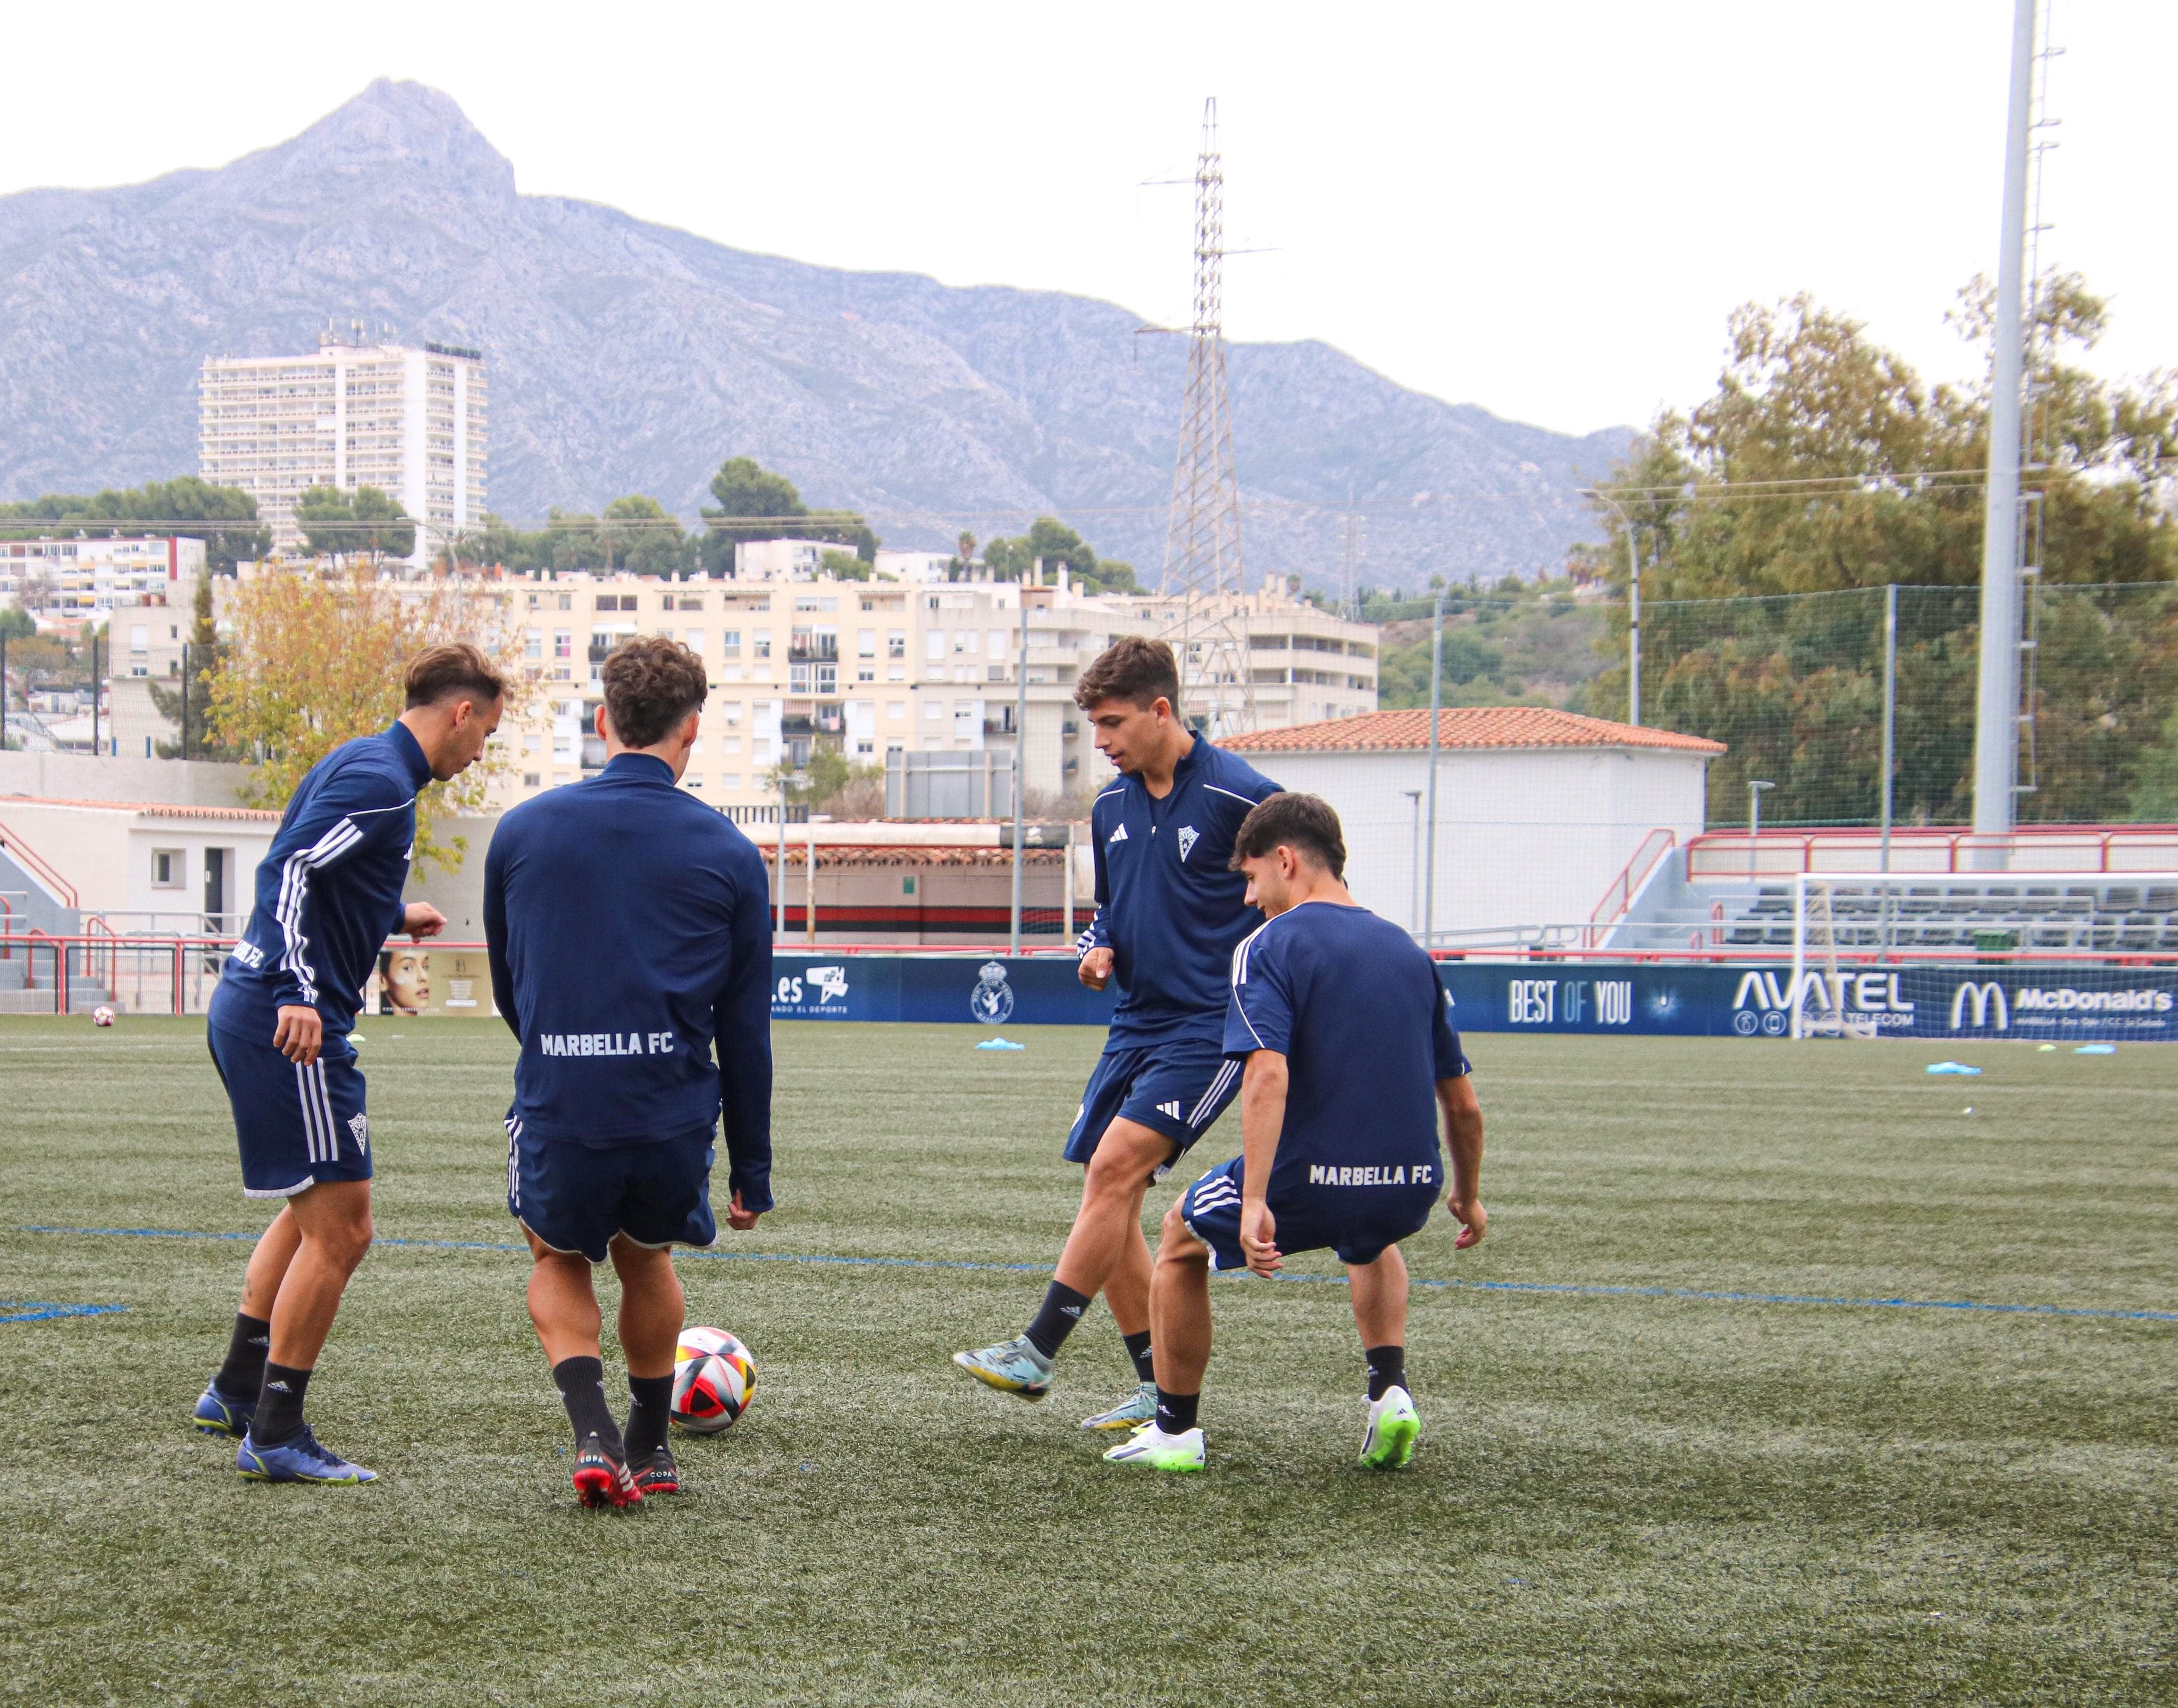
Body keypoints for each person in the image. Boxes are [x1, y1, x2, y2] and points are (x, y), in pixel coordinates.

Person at [192, 643, 505, 1484]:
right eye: (485, 735)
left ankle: (235, 1389)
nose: (480, 756)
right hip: (288, 1019)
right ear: (460, 712)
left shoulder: (364, 761)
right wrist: (298, 989)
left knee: (307, 1211)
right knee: (346, 1227)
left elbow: (320, 871)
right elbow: (288, 868)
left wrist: (389, 911)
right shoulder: (382, 780)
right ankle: (277, 1431)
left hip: (260, 1007)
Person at [1104, 792, 1486, 1473]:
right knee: (1370, 1240)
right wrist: (1468, 1194)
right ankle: (1388, 1391)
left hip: (1309, 1182)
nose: (1249, 898)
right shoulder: (1411, 953)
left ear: (1285, 859)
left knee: (1178, 1236)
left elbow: (1267, 1075)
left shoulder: (1268, 946)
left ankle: (1174, 1431)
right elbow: (1462, 1104)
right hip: (1410, 1185)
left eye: (1251, 878)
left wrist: (1254, 1199)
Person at [954, 635, 1282, 1429]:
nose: (1099, 742)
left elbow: (1294, 905)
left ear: (1161, 710)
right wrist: (1095, 948)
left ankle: (1036, 1351)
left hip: (1211, 1028)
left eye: (1110, 723)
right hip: (1133, 1024)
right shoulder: (1110, 809)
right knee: (1114, 1192)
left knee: (1113, 1170)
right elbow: (1109, 909)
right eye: (1093, 726)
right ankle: (1152, 1385)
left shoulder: (1244, 800)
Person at [484, 636, 773, 1509]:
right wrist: (752, 1170)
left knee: (553, 1251)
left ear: (604, 721)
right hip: (670, 1113)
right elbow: (745, 1030)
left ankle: (594, 1435)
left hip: (564, 1099)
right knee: (647, 1257)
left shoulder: (523, 831)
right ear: (693, 728)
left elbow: (513, 988)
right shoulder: (731, 852)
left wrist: (563, 1052)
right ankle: (652, 1449)